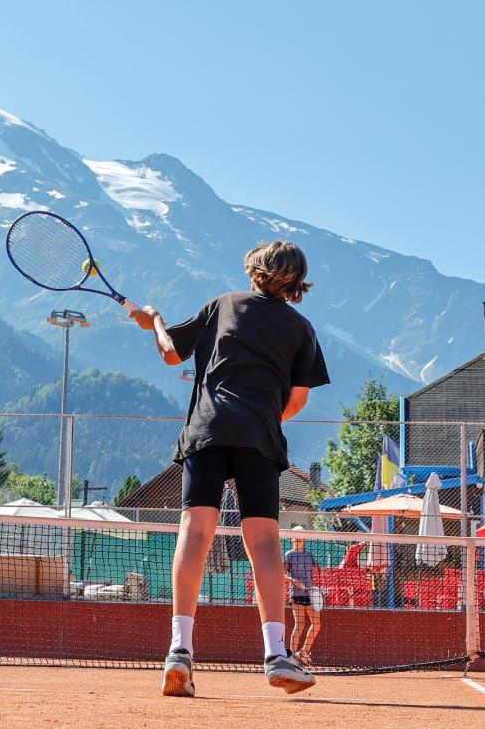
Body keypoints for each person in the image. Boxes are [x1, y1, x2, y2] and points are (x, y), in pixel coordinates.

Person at [139, 240, 330, 698]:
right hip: (260, 436)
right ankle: (276, 655)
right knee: (264, 543)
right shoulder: (302, 328)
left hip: (207, 429)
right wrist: (261, 416)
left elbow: (170, 354)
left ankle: (178, 652)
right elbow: (298, 401)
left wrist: (155, 322)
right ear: (297, 280)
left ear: (256, 270)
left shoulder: (222, 305)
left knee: (195, 531)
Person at [283, 531, 324, 665]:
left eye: (300, 536)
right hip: (296, 594)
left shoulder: (309, 554)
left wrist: (319, 569)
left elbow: (316, 567)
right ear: (292, 539)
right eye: (296, 536)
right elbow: (282, 576)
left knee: (316, 624)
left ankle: (304, 651)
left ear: (304, 539)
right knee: (299, 625)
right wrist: (294, 581)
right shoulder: (289, 555)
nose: (298, 538)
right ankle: (292, 656)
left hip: (310, 595)